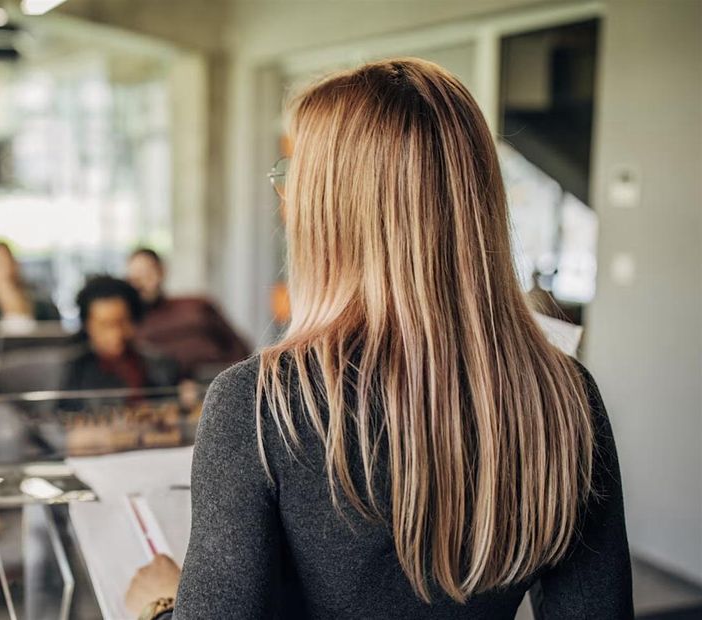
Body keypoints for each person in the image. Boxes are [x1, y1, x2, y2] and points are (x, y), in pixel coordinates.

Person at [125, 59, 632, 619]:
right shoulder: (564, 396)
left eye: (294, 178)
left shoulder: (261, 404)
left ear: (328, 210)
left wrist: (158, 604)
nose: (285, 201)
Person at [126, 248, 249, 380]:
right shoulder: (131, 325)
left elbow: (238, 346)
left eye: (147, 274)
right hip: (172, 389)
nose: (142, 283)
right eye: (135, 278)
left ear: (161, 272)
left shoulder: (197, 305)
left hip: (224, 377)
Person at [61, 276, 179, 394]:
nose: (115, 334)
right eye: (104, 325)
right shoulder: (70, 371)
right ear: (87, 326)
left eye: (122, 322)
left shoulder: (159, 366)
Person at [0, 241, 60, 356]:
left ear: (15, 265)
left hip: (35, 361)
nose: (2, 267)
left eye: (5, 261)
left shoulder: (41, 304)